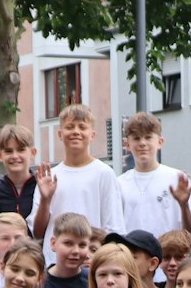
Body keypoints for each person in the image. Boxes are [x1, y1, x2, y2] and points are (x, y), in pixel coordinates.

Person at [32, 105, 125, 257]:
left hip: (91, 260)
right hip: (55, 263)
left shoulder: (104, 173)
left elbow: (113, 227)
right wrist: (45, 200)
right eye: (70, 127)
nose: (76, 132)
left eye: (82, 127)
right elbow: (38, 232)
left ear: (92, 134)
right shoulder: (50, 177)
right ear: (60, 134)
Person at [118, 114, 191, 237]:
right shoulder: (119, 183)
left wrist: (184, 205)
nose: (142, 143)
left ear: (160, 142)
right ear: (127, 145)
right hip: (131, 254)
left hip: (169, 253)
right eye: (136, 138)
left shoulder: (177, 179)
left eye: (148, 137)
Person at [38, 212, 97, 288]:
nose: (76, 251)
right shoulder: (38, 283)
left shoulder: (93, 281)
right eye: (68, 243)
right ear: (53, 243)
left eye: (82, 245)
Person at [0, 124, 40, 223]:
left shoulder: (42, 188)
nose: (15, 156)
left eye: (21, 150)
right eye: (8, 151)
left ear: (33, 153)